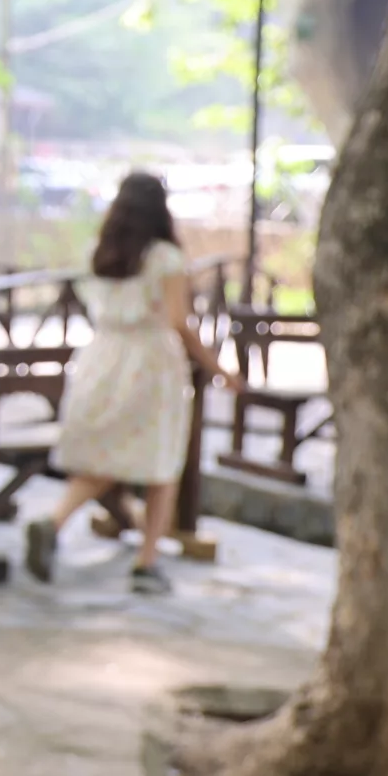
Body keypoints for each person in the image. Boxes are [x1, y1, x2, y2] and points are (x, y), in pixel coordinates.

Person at [25, 171, 237, 594]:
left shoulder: (98, 252)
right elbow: (179, 322)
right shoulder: (165, 258)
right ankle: (147, 561)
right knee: (162, 462)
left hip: (101, 357)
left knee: (104, 456)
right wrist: (219, 368)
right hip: (150, 362)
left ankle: (53, 521)